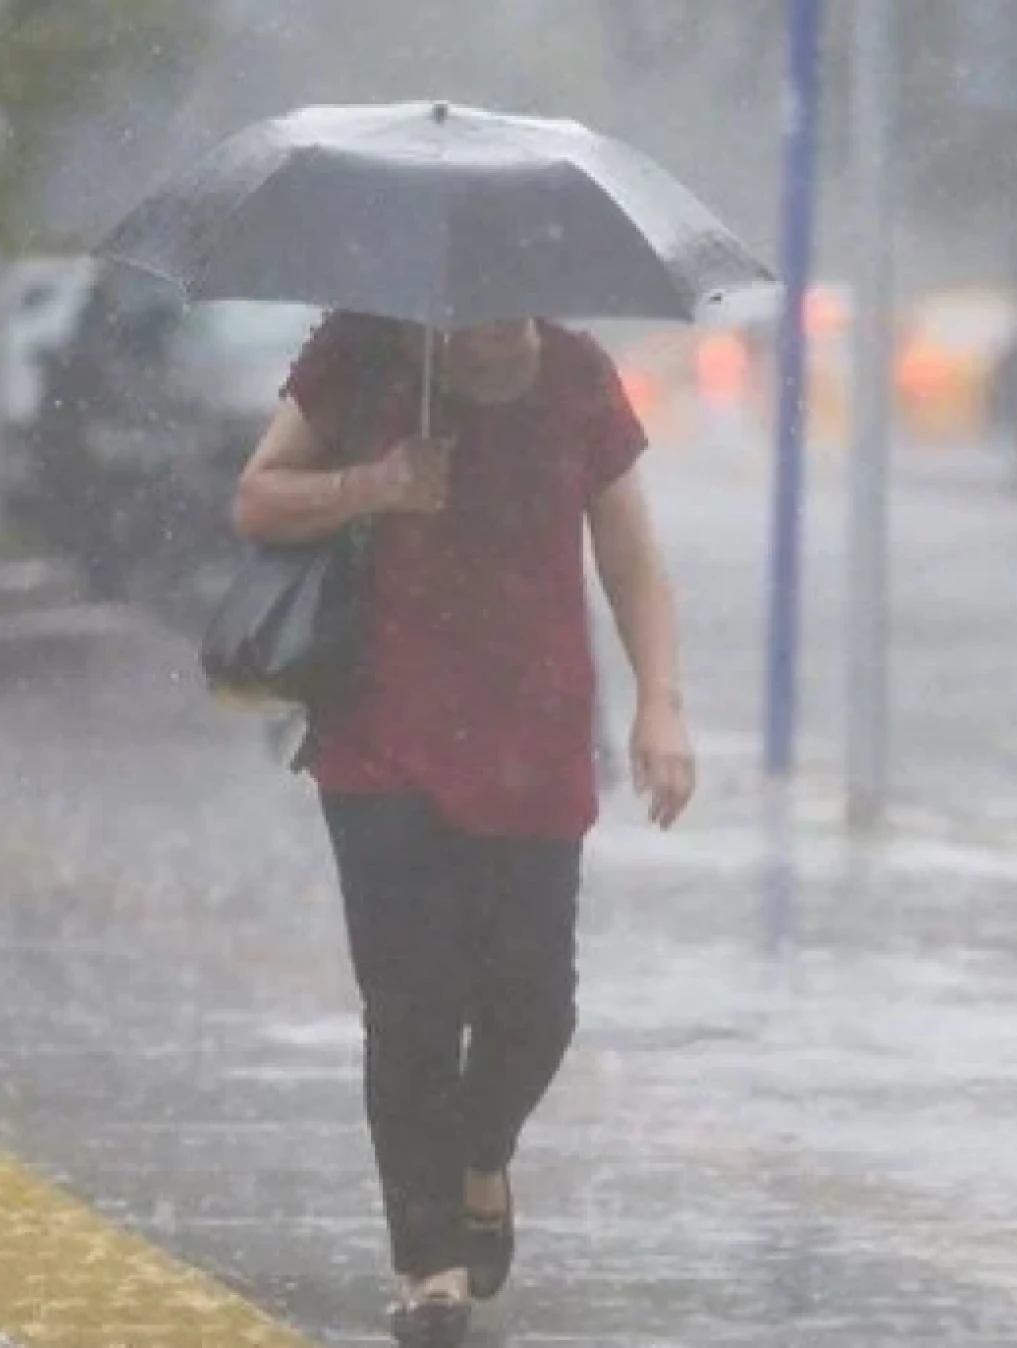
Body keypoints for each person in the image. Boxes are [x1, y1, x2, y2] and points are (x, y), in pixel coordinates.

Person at [233, 311, 694, 1347]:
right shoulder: (363, 353)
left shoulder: (576, 375)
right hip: (381, 735)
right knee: (412, 1008)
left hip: (533, 737)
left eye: (511, 304)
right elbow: (257, 497)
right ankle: (425, 1265)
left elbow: (627, 552)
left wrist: (657, 700)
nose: (490, 329)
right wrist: (375, 484)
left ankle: (480, 1154)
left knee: (536, 1008)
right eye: (470, 306)